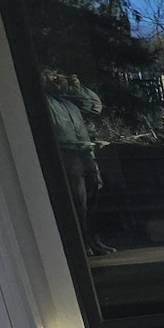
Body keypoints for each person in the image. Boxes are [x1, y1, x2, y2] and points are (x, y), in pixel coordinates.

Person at [44, 69, 113, 256]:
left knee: (92, 198)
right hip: (67, 156)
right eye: (50, 74)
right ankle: (81, 243)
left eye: (57, 74)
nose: (56, 78)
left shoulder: (69, 101)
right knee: (78, 201)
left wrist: (77, 87)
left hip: (85, 154)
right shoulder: (45, 102)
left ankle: (94, 240)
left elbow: (94, 107)